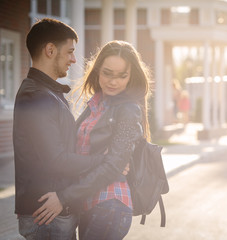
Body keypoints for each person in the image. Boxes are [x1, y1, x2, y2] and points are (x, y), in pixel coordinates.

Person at [33, 40, 151, 240]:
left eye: (122, 75)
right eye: (107, 73)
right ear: (97, 71)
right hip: (88, 205)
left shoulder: (128, 110)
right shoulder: (95, 105)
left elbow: (113, 167)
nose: (114, 81)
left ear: (131, 77)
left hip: (110, 205)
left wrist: (63, 198)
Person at [13, 18, 109, 239]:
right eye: (69, 52)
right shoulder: (36, 95)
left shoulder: (48, 93)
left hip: (52, 214)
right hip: (47, 216)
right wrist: (103, 160)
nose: (74, 59)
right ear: (50, 50)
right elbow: (56, 159)